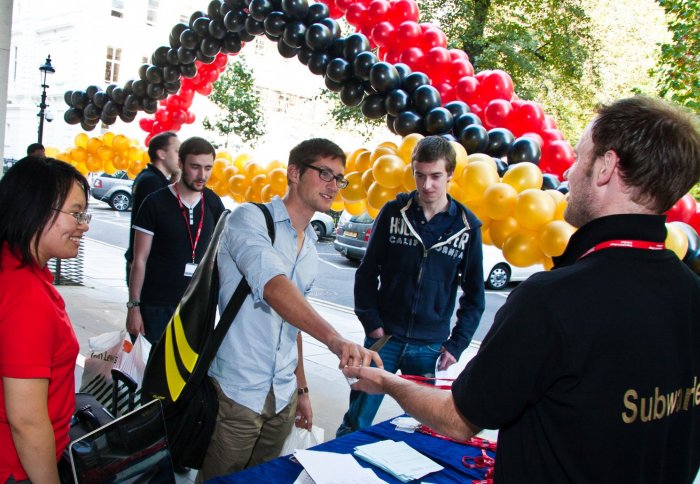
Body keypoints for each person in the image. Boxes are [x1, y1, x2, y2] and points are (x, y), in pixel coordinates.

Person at [343, 96, 700, 482]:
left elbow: (458, 419)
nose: (567, 174)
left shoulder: (552, 299)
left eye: (579, 158)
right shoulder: (692, 293)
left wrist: (387, 381)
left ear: (606, 167)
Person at [197, 138, 383, 482]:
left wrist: (301, 391)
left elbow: (291, 325)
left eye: (339, 178)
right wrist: (336, 340)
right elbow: (272, 286)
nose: (333, 185)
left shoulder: (311, 246)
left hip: (281, 396)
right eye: (325, 173)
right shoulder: (249, 219)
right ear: (294, 172)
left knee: (265, 479)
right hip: (238, 391)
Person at [337, 136, 485, 437]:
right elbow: (366, 273)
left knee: (425, 428)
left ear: (450, 174)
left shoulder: (467, 226)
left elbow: (474, 296)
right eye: (420, 175)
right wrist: (372, 323)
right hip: (384, 340)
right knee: (356, 421)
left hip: (429, 347)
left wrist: (457, 344)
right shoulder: (394, 212)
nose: (427, 184)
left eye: (435, 176)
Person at [0, 157, 91, 483]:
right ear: (36, 208)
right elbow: (26, 420)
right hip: (16, 466)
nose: (84, 225)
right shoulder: (26, 296)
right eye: (76, 213)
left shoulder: (16, 269)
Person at [126, 136, 225, 346]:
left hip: (195, 307)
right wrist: (134, 307)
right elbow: (139, 259)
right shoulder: (155, 202)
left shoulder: (214, 203)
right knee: (149, 374)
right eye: (195, 167)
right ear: (180, 164)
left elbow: (220, 255)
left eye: (208, 168)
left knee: (187, 376)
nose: (202, 175)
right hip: (155, 306)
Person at [124, 131, 180, 285]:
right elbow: (155, 223)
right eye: (176, 151)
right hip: (148, 265)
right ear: (161, 153)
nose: (179, 157)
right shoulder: (152, 181)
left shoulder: (151, 178)